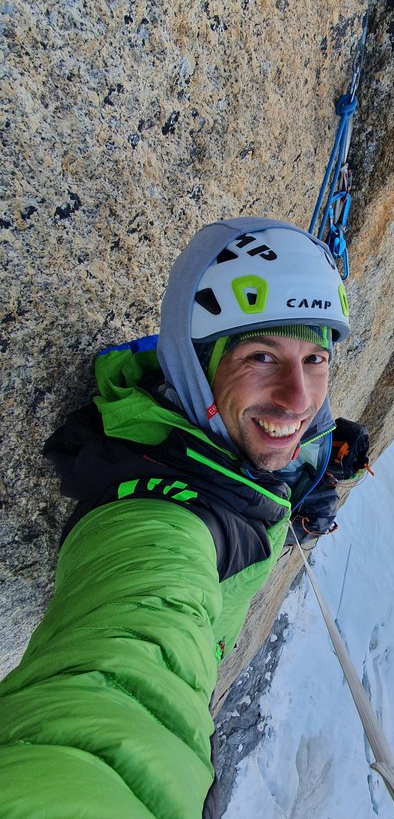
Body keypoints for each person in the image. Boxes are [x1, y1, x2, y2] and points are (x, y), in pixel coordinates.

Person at [0, 218, 370, 818]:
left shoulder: (209, 445)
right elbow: (124, 673)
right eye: (260, 355)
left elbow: (259, 451)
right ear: (198, 368)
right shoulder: (158, 525)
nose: (300, 398)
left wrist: (297, 482)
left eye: (315, 359)